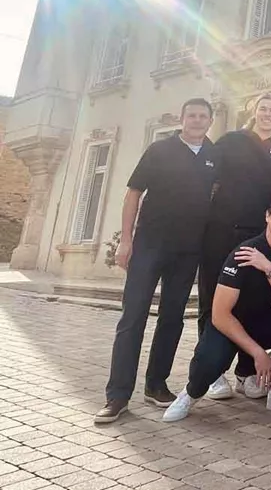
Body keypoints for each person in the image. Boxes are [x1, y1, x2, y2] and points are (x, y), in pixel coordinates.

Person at [94, 99, 218, 424]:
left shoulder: (213, 156)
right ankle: (117, 395)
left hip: (187, 251)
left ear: (210, 121)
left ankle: (156, 385)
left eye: (202, 116)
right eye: (191, 115)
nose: (196, 120)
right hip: (149, 245)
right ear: (182, 119)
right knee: (133, 317)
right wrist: (125, 239)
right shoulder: (159, 150)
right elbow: (133, 193)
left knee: (172, 318)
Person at [163, 193, 271, 422]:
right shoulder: (243, 252)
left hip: (262, 322)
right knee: (209, 362)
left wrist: (269, 268)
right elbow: (220, 315)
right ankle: (190, 394)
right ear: (267, 216)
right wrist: (258, 353)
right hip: (229, 325)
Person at [197, 92, 271, 400]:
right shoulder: (231, 141)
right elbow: (204, 177)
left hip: (259, 237)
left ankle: (245, 371)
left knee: (252, 304)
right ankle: (210, 373)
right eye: (263, 109)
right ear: (254, 111)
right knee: (212, 299)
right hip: (221, 232)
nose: (268, 114)